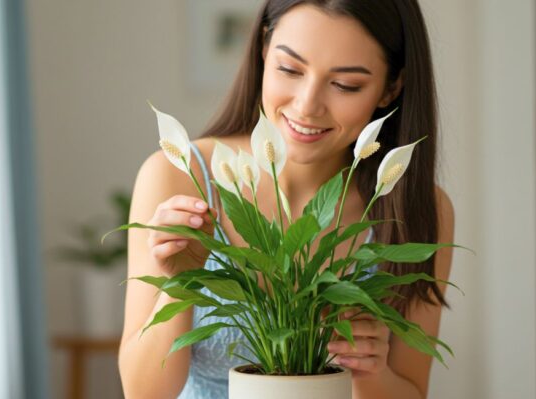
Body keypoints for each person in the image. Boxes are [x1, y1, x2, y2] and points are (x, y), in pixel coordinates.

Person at [118, 1, 455, 398]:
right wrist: (178, 283)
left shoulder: (414, 208)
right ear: (263, 49)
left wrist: (368, 369)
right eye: (290, 69)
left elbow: (412, 391)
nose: (306, 106)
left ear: (391, 88)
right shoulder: (180, 176)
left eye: (346, 84)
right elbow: (143, 393)